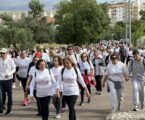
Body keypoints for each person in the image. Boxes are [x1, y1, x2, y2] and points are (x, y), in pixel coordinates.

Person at [0, 48, 16, 115]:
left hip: (8, 80)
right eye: (1, 53)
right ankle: (0, 110)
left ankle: (9, 109)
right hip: (0, 80)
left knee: (9, 95)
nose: (2, 54)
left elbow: (14, 68)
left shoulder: (10, 60)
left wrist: (9, 74)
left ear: (6, 53)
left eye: (3, 53)